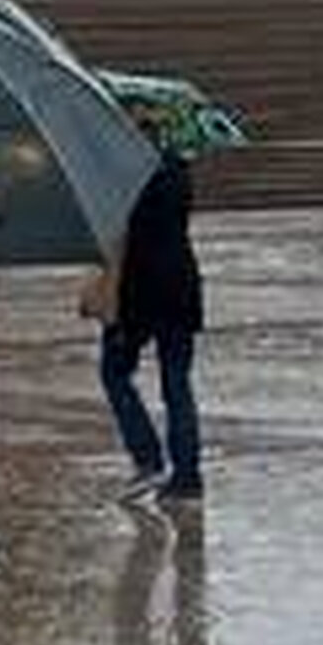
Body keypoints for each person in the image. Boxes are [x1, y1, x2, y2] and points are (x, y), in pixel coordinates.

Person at [99, 148, 206, 504]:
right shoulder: (178, 168)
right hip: (182, 283)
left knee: (114, 371)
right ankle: (187, 477)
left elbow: (122, 235)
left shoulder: (123, 172)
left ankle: (148, 459)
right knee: (177, 382)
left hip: (139, 289)